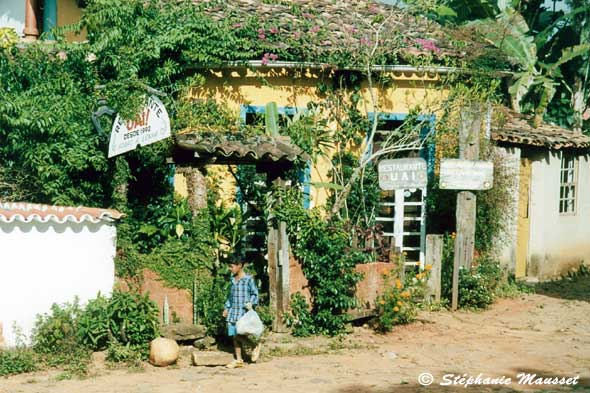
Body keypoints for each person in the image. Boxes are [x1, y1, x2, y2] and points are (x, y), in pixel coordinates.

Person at [222, 254, 261, 368]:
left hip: (243, 312)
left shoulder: (248, 280)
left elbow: (255, 294)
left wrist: (251, 303)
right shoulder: (233, 280)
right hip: (234, 311)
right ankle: (239, 359)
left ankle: (254, 345)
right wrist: (227, 308)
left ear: (239, 266)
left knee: (239, 334)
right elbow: (231, 297)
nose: (230, 269)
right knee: (234, 335)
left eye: (231, 266)